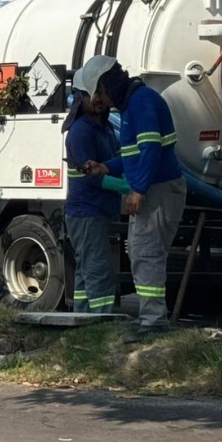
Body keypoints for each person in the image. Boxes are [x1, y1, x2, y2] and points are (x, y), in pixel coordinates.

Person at [77, 56, 187, 343]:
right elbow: (135, 154)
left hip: (158, 190)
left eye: (100, 93)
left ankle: (153, 323)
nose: (101, 101)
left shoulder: (141, 103)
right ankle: (151, 319)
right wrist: (106, 168)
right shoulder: (134, 105)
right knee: (141, 252)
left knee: (146, 252)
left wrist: (137, 190)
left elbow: (150, 149)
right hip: (156, 187)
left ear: (109, 85)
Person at [61, 70, 129, 314]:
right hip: (87, 211)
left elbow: (113, 162)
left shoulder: (105, 128)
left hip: (95, 210)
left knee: (86, 269)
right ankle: (100, 323)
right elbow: (93, 179)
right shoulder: (81, 132)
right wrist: (130, 189)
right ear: (81, 97)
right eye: (93, 94)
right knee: (98, 270)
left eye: (101, 92)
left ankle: (82, 316)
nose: (99, 98)